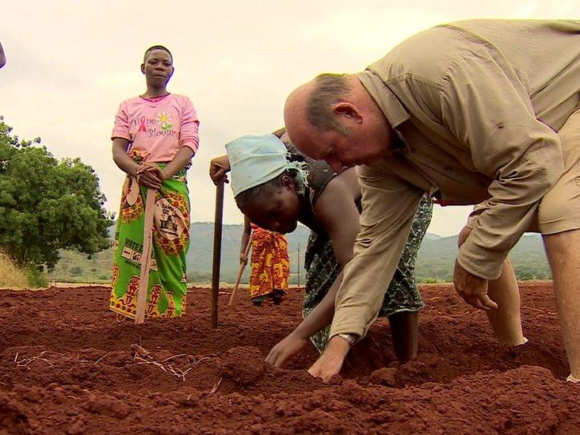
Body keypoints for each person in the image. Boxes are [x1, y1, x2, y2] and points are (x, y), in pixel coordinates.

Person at [283, 19, 580, 382]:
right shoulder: (382, 163)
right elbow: (375, 249)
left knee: (561, 212)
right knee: (475, 236)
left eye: (332, 151)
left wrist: (476, 261)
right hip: (543, 129)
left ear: (349, 113)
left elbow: (533, 164)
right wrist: (338, 343)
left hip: (567, 107)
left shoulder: (439, 75)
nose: (334, 166)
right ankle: (514, 353)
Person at [210, 131, 432, 362]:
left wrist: (299, 335)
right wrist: (235, 161)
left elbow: (356, 269)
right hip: (346, 218)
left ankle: (408, 363)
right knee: (319, 294)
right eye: (263, 222)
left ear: (288, 183)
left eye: (274, 212)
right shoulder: (284, 157)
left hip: (397, 198)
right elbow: (283, 132)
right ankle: (354, 360)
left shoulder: (328, 194)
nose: (274, 225)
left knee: (391, 269)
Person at [109, 45, 199, 319]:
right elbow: (117, 151)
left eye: (165, 63)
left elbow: (190, 144)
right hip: (138, 183)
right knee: (132, 247)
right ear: (143, 68)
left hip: (170, 183)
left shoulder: (183, 104)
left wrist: (164, 173)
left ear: (172, 71)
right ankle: (134, 311)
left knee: (173, 245)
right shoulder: (128, 106)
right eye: (153, 62)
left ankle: (172, 316)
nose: (159, 66)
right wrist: (139, 171)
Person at [241, 215, 290, 306]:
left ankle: (277, 296)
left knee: (277, 270)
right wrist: (242, 252)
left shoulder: (277, 203)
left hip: (277, 241)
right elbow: (247, 231)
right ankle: (258, 297)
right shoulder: (249, 207)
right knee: (259, 269)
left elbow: (289, 224)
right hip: (259, 244)